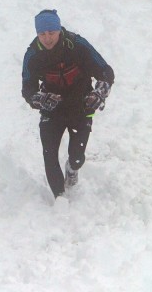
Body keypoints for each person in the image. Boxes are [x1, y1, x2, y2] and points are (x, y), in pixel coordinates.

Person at [21, 10, 114, 198]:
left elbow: (105, 71)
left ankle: (72, 169)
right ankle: (60, 198)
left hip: (81, 106)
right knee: (49, 155)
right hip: (52, 109)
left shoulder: (77, 45)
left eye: (51, 33)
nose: (47, 39)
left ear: (59, 30)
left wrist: (100, 92)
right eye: (42, 34)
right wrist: (40, 100)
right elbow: (27, 89)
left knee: (77, 158)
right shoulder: (33, 54)